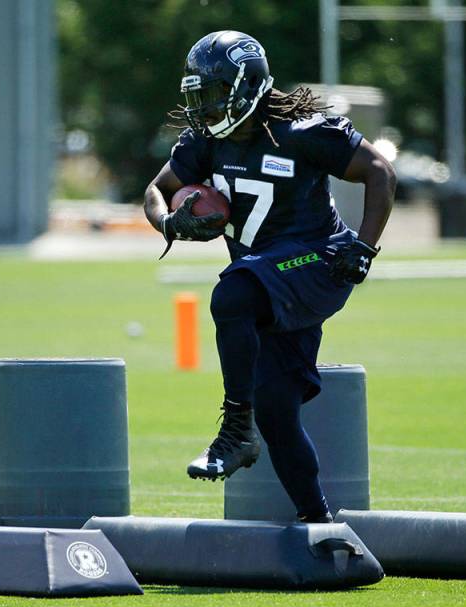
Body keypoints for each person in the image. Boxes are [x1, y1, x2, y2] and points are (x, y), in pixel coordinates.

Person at [143, 31, 395, 523]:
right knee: (277, 409)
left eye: (215, 92)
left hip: (319, 261)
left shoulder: (302, 131)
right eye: (198, 96)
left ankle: (236, 429)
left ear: (246, 86)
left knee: (232, 294)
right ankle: (320, 525)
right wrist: (168, 222)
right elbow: (156, 189)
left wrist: (365, 246)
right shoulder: (205, 143)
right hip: (271, 279)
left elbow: (380, 171)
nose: (205, 107)